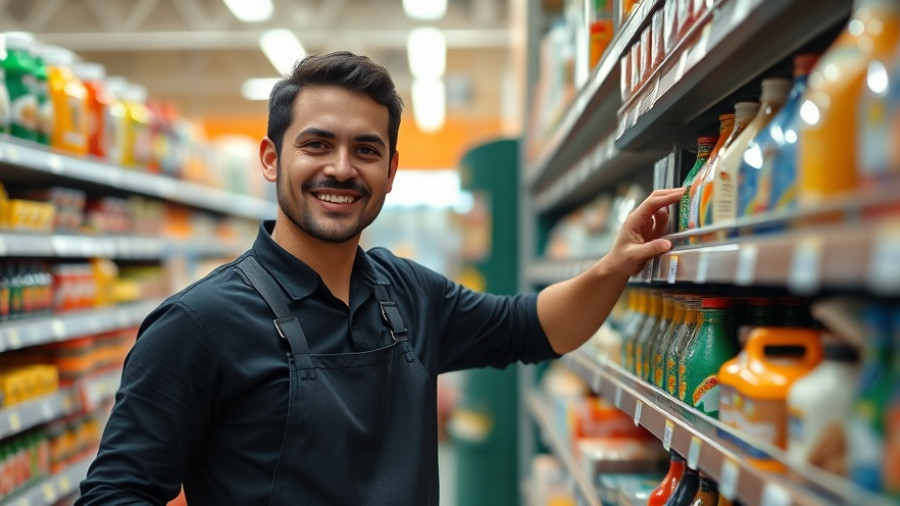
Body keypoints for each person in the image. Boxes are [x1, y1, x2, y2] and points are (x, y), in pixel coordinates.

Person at [76, 51, 683, 505]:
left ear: (391, 170)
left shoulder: (409, 293)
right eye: (317, 144)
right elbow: (116, 494)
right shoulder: (198, 325)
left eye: (366, 150)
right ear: (271, 158)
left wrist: (615, 263)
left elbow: (533, 327)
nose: (342, 168)